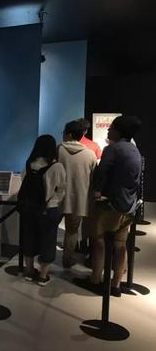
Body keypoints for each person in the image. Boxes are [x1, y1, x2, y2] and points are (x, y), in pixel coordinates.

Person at [88, 116, 142, 297]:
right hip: (128, 206)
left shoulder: (112, 149)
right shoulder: (134, 150)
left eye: (111, 128)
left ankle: (96, 279)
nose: (108, 131)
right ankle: (116, 284)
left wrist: (97, 193)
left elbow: (102, 173)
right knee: (120, 245)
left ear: (118, 131)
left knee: (99, 241)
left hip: (109, 205)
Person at [19, 135, 66, 286]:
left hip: (28, 208)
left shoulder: (28, 164)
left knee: (29, 237)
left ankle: (29, 271)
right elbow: (61, 189)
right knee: (48, 240)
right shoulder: (57, 167)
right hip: (48, 209)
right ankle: (43, 275)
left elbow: (23, 183)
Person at [58, 120, 97, 268]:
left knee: (49, 228)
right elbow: (94, 179)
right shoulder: (90, 154)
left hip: (56, 197)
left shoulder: (58, 150)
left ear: (68, 134)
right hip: (78, 199)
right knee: (72, 231)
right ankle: (67, 260)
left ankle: (44, 259)